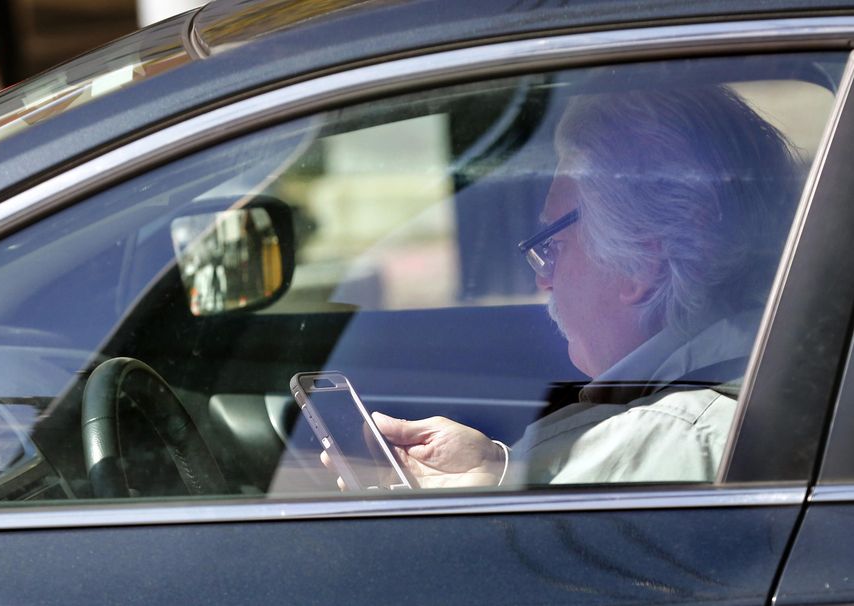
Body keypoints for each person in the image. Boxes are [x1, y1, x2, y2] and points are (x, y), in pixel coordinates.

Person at [328, 84, 802, 488]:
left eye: (552, 244)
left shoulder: (662, 439)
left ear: (642, 264)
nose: (542, 276)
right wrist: (495, 470)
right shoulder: (738, 380)